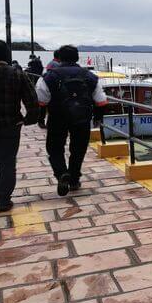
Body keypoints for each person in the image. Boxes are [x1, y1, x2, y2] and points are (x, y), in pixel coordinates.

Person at [36, 45, 108, 196]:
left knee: (54, 148)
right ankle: (74, 179)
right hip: (82, 118)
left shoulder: (50, 75)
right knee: (78, 149)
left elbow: (41, 100)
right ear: (77, 57)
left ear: (59, 58)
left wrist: (41, 118)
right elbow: (101, 101)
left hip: (57, 117)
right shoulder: (89, 75)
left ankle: (62, 173)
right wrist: (98, 118)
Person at [0, 40, 39, 212]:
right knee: (7, 162)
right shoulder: (17, 74)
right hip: (10, 126)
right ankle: (3, 200)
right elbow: (32, 101)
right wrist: (28, 120)